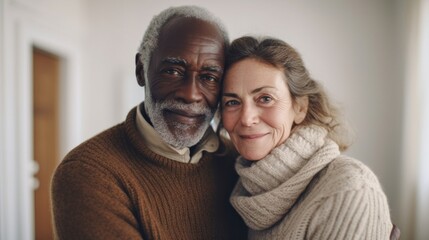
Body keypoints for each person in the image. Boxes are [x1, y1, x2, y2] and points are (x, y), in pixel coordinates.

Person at [51, 6, 246, 239]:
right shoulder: (89, 172)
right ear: (141, 69)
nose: (191, 94)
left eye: (209, 77)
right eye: (173, 71)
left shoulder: (240, 160)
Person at [220, 36, 394, 239]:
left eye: (265, 98)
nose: (247, 118)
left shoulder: (350, 190)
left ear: (300, 107)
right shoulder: (243, 187)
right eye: (232, 102)